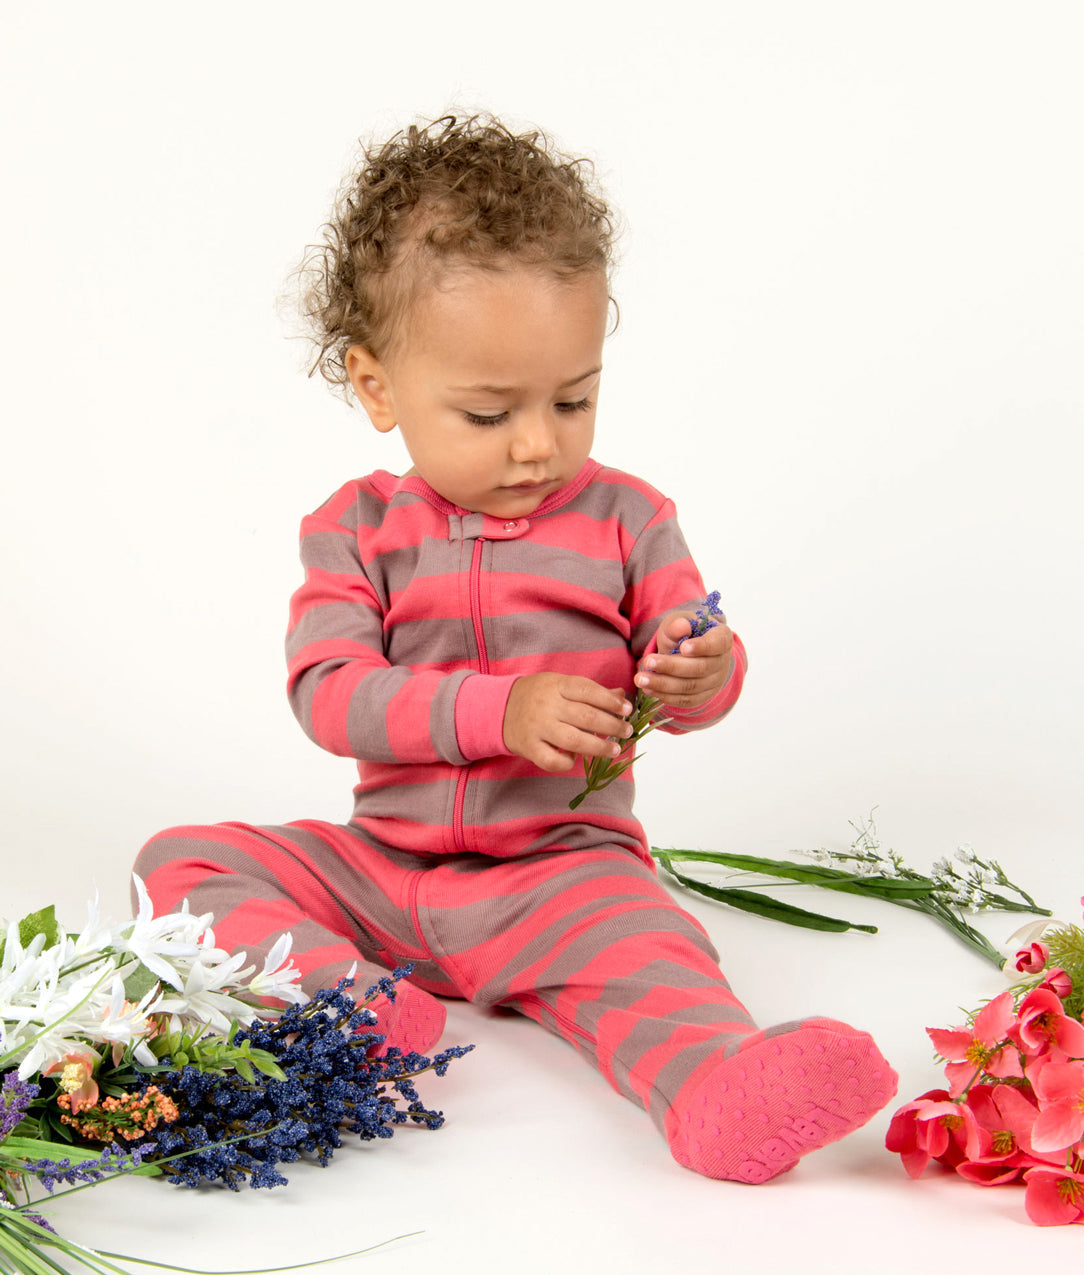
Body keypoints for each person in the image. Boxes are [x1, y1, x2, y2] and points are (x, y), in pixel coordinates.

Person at [134, 114, 897, 1184]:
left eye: (572, 397)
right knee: (183, 858)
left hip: (558, 875)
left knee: (651, 948)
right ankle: (350, 1007)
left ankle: (717, 1088)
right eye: (490, 412)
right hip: (384, 874)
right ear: (377, 387)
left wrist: (701, 669)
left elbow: (691, 677)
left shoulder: (629, 518)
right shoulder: (353, 528)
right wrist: (500, 709)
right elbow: (329, 693)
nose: (539, 441)